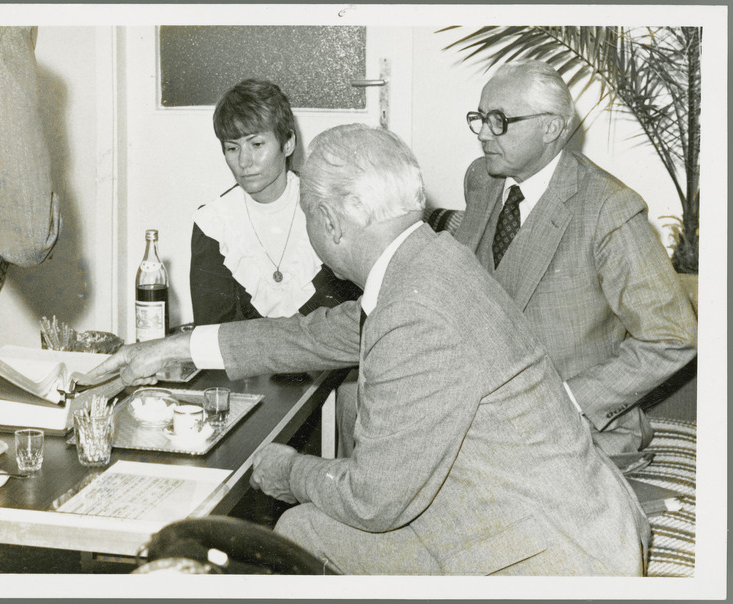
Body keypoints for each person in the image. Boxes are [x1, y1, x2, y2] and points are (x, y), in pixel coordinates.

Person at [89, 124, 649, 576]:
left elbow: (371, 501)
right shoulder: (435, 260)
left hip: (556, 563)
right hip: (573, 515)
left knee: (295, 530)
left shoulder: (415, 311)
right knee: (306, 529)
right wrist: (179, 347)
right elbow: (319, 333)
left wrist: (283, 469)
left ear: (330, 221)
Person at [455, 60, 697, 456]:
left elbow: (672, 336)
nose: (483, 133)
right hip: (483, 411)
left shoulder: (609, 208)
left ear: (551, 127)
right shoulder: (482, 179)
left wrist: (566, 400)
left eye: (498, 120)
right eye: (479, 118)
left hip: (575, 432)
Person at [189, 79, 360, 326]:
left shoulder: (328, 207)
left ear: (288, 143)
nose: (244, 161)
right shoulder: (214, 223)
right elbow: (211, 332)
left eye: (256, 144)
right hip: (244, 363)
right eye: (232, 148)